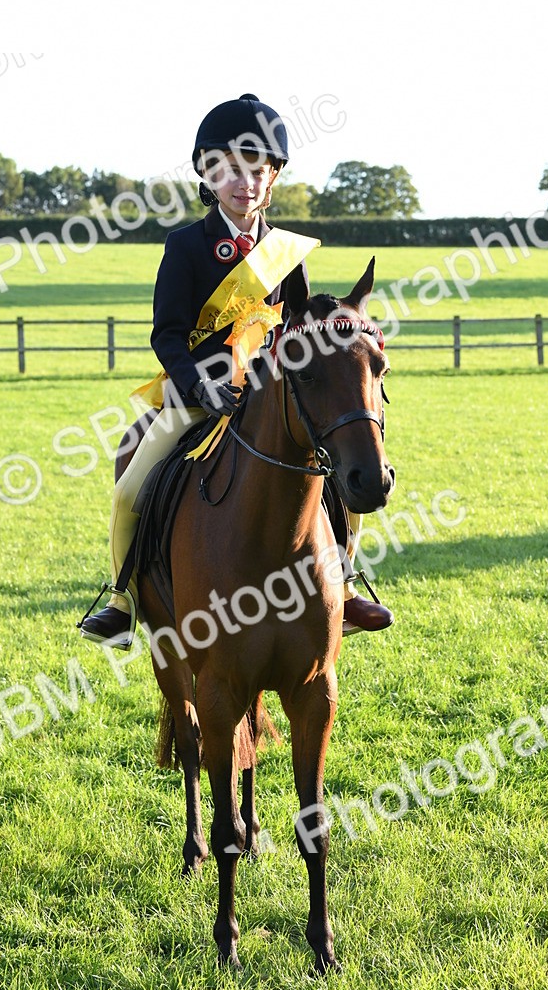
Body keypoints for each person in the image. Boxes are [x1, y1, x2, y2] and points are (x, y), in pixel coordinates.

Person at [79, 93, 393, 647]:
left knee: (343, 474)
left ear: (273, 178)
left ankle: (342, 586)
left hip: (270, 399)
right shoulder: (184, 246)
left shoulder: (287, 251)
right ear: (206, 174)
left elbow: (299, 328)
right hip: (197, 397)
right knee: (129, 491)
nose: (243, 184)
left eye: (256, 171)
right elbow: (166, 334)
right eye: (228, 171)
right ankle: (122, 601)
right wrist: (200, 384)